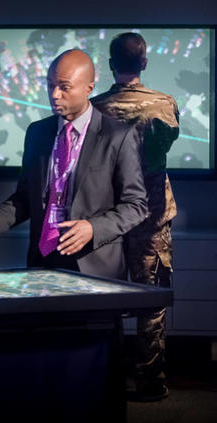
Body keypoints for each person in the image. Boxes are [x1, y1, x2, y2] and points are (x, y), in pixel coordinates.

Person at [0, 49, 147, 280]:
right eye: (50, 86)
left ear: (89, 88)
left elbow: (136, 205)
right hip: (42, 263)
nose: (55, 94)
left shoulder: (118, 136)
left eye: (64, 87)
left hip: (94, 268)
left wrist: (93, 228)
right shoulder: (37, 133)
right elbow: (26, 197)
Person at [91, 32, 179, 402]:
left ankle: (101, 379)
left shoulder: (94, 107)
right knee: (151, 300)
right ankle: (150, 382)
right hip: (151, 217)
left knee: (100, 298)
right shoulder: (164, 104)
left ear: (111, 65)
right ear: (143, 63)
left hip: (107, 217)